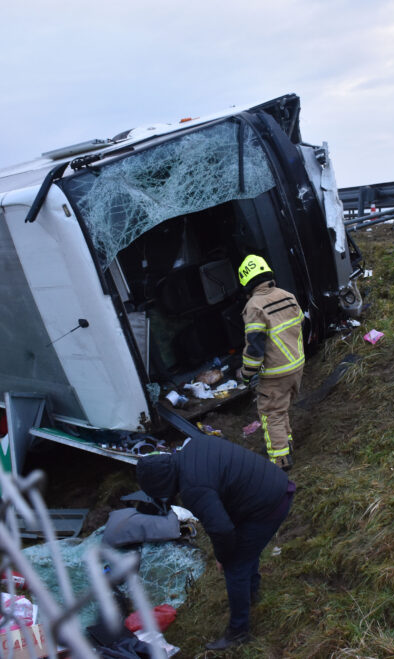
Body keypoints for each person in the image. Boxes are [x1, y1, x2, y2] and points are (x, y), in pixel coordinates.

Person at [135, 436, 295, 651]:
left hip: (269, 503)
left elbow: (221, 529)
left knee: (235, 565)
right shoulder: (193, 446)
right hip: (270, 482)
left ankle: (238, 632)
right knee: (245, 547)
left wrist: (222, 556)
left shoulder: (192, 489)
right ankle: (251, 593)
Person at [235, 254, 305, 470]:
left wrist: (246, 373)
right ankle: (287, 442)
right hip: (297, 365)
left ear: (246, 282)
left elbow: (255, 348)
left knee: (271, 413)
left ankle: (280, 459)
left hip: (275, 372)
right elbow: (300, 322)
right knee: (281, 408)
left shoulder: (254, 306)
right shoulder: (287, 295)